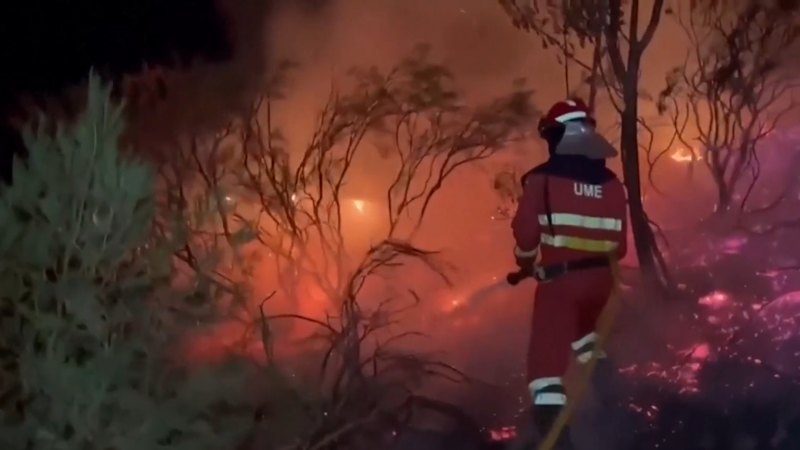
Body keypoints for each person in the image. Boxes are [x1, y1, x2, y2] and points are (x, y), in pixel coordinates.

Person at [510, 98, 628, 447]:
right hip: (602, 282)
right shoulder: (612, 183)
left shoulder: (541, 181)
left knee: (544, 366)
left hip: (560, 283)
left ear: (555, 137)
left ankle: (558, 440)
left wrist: (525, 259)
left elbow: (526, 235)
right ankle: (611, 391)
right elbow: (619, 247)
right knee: (585, 333)